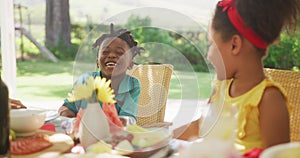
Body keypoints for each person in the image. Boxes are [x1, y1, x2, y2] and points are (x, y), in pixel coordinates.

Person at [175, 0, 300, 153]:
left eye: (211, 45)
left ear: (234, 45)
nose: (208, 56)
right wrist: (161, 137)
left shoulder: (269, 100)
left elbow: (276, 155)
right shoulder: (220, 89)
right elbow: (201, 126)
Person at [58, 24, 144, 123]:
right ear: (97, 61)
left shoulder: (132, 85)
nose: (111, 55)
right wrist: (70, 118)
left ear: (130, 63)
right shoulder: (85, 81)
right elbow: (66, 108)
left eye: (120, 53)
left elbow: (128, 119)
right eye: (105, 52)